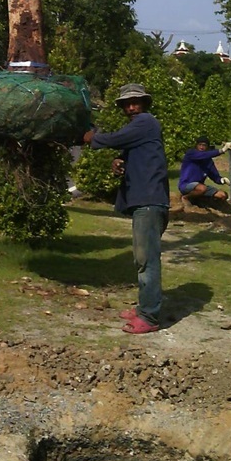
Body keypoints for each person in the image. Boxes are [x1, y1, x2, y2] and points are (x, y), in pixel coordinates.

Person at [82, 82, 169, 335]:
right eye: (126, 104)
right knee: (142, 258)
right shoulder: (140, 128)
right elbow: (130, 149)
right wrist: (121, 161)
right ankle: (145, 306)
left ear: (144, 104)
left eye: (136, 102)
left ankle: (149, 316)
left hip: (149, 203)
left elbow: (114, 139)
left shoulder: (145, 122)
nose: (131, 107)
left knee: (147, 261)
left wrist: (92, 138)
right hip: (147, 201)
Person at [178, 136, 229, 202]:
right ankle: (186, 198)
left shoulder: (208, 161)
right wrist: (221, 151)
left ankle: (202, 201)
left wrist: (221, 180)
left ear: (207, 147)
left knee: (222, 195)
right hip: (186, 184)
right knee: (202, 189)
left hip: (200, 186)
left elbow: (213, 175)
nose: (201, 147)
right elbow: (204, 155)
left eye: (204, 145)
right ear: (196, 145)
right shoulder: (191, 154)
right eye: (200, 145)